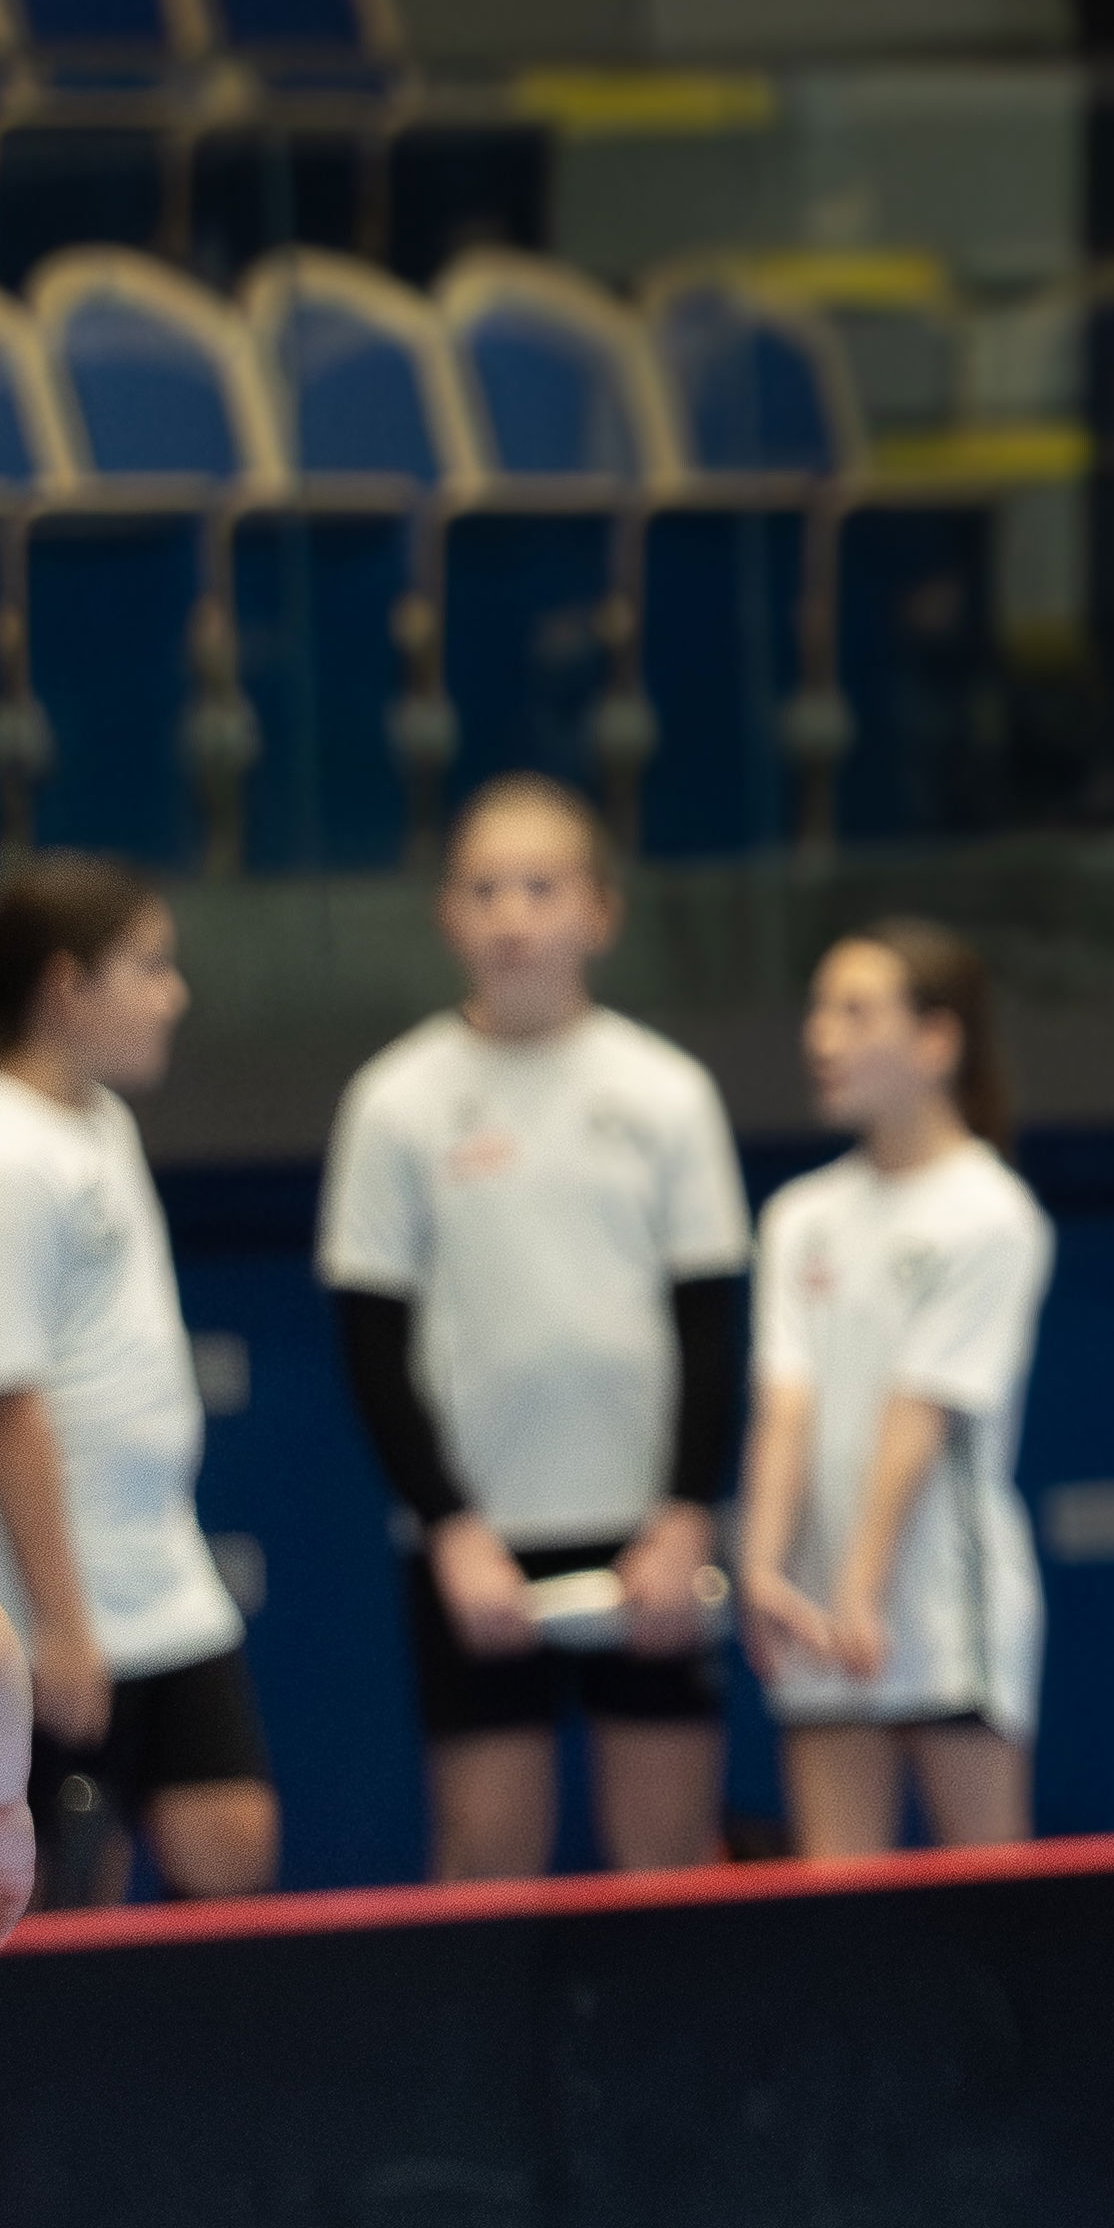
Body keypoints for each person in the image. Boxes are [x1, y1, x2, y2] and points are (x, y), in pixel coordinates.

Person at [319, 778, 752, 1884]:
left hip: (646, 1539)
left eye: (541, 888)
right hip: (478, 1544)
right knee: (486, 1858)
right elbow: (372, 1343)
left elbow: (710, 1326)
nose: (512, 916)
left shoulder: (666, 1093)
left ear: (600, 912)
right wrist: (451, 1529)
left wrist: (685, 1517)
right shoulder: (396, 1102)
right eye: (484, 890)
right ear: (447, 915)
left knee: (667, 1862)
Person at [0, 863, 276, 1907]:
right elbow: (8, 1405)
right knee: (68, 1900)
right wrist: (63, 1626)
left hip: (165, 1583)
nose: (174, 995)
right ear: (68, 987)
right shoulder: (4, 1154)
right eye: (149, 969)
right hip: (56, 1601)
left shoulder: (100, 1119)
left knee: (232, 1845)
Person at [738, 924, 1054, 1855]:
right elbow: (785, 1405)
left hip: (945, 1609)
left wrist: (863, 1587)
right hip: (819, 1609)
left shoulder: (991, 1215)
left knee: (990, 1901)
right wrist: (763, 1565)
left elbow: (918, 1416)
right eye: (818, 1011)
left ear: (937, 1041)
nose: (822, 1037)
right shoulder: (801, 1217)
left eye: (856, 1012)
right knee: (840, 1909)